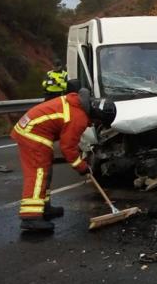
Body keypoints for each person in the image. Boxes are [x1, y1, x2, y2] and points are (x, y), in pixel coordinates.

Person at [11, 88, 116, 232]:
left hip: (33, 130)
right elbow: (68, 148)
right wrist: (81, 167)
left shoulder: (77, 104)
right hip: (32, 135)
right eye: (97, 122)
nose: (94, 125)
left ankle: (43, 207)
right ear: (97, 115)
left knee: (46, 173)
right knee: (39, 174)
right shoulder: (78, 117)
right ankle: (30, 217)